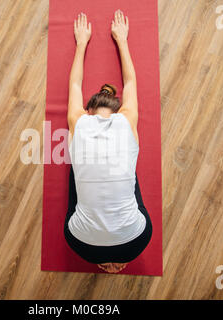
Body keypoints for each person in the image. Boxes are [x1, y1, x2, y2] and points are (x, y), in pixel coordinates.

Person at [64, 10, 152, 273]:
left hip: (84, 247)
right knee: (126, 166)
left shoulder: (77, 122)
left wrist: (81, 44)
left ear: (88, 111)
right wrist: (121, 40)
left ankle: (104, 256)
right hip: (134, 244)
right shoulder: (127, 121)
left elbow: (75, 84)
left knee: (75, 167)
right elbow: (130, 81)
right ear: (116, 111)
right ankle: (117, 253)